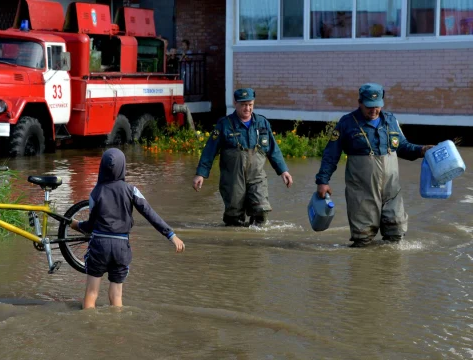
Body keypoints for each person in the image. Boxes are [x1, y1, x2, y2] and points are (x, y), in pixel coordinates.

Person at [315, 83, 433, 247]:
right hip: (362, 191)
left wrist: (422, 150)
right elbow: (330, 155)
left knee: (396, 234)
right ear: (359, 102)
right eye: (369, 106)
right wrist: (323, 181)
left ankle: (387, 272)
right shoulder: (347, 123)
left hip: (391, 189)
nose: (373, 110)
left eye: (377, 106)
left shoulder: (391, 120)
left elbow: (403, 147)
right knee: (362, 238)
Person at [70, 148, 185, 309]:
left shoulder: (96, 192)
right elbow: (150, 214)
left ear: (101, 167)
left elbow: (90, 225)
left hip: (100, 245)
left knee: (91, 293)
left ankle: (90, 329)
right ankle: (117, 330)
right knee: (116, 295)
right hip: (121, 246)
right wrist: (171, 235)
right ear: (123, 167)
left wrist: (76, 225)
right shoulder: (132, 191)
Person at [193, 88, 293, 227]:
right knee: (234, 217)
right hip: (233, 179)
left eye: (250, 104)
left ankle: (255, 242)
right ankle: (235, 243)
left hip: (256, 177)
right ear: (235, 103)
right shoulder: (224, 125)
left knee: (261, 211)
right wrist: (201, 174)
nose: (247, 108)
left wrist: (283, 171)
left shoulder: (262, 123)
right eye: (244, 105)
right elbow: (209, 151)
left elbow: (273, 150)